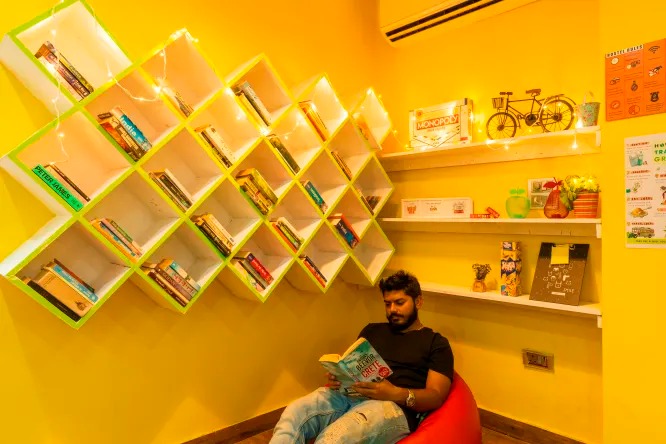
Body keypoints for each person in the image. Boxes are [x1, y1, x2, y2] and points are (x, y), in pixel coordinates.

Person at [270, 270, 454, 444]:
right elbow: (352, 363)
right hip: (349, 395)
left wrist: (395, 393)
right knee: (293, 414)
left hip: (391, 406)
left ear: (418, 302)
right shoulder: (372, 330)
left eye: (399, 303)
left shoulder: (436, 343)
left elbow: (436, 396)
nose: (392, 310)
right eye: (387, 304)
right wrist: (339, 377)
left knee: (333, 438)